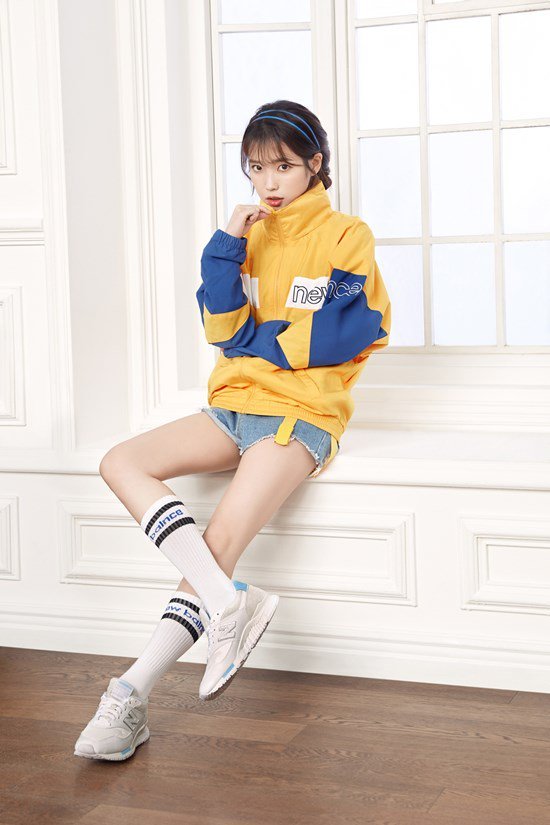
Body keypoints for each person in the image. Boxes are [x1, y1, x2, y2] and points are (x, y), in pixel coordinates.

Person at [74, 99, 391, 761]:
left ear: (315, 163)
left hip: (301, 414)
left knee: (217, 540)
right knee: (120, 462)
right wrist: (226, 247)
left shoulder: (346, 234)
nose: (268, 182)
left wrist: (254, 340)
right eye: (255, 167)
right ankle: (229, 603)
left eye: (283, 166)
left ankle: (129, 694)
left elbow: (351, 329)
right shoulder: (247, 235)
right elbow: (221, 328)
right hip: (232, 405)